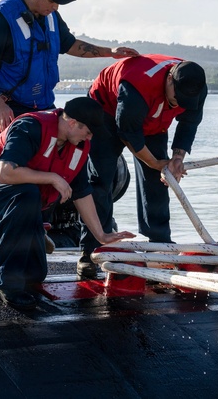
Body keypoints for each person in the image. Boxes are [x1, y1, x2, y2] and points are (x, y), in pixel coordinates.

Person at [0, 97, 135, 309]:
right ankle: (4, 284)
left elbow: (82, 193)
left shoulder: (78, 147)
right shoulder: (31, 127)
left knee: (34, 272)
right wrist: (53, 178)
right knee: (28, 193)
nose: (90, 137)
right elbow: (5, 173)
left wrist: (101, 235)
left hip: (25, 198)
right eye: (89, 131)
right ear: (73, 122)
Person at [0, 0, 139, 139]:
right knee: (10, 161)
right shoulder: (2, 19)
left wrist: (110, 52)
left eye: (58, 2)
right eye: (52, 0)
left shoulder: (50, 15)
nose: (56, 7)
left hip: (42, 105)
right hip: (9, 108)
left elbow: (70, 44)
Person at [78, 55, 208, 279]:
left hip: (153, 121)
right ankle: (92, 250)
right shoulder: (137, 85)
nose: (179, 104)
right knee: (101, 179)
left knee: (160, 180)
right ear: (169, 80)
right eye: (178, 98)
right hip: (106, 112)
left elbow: (189, 124)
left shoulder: (196, 87)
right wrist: (153, 161)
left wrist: (176, 158)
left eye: (186, 101)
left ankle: (158, 244)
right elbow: (127, 132)